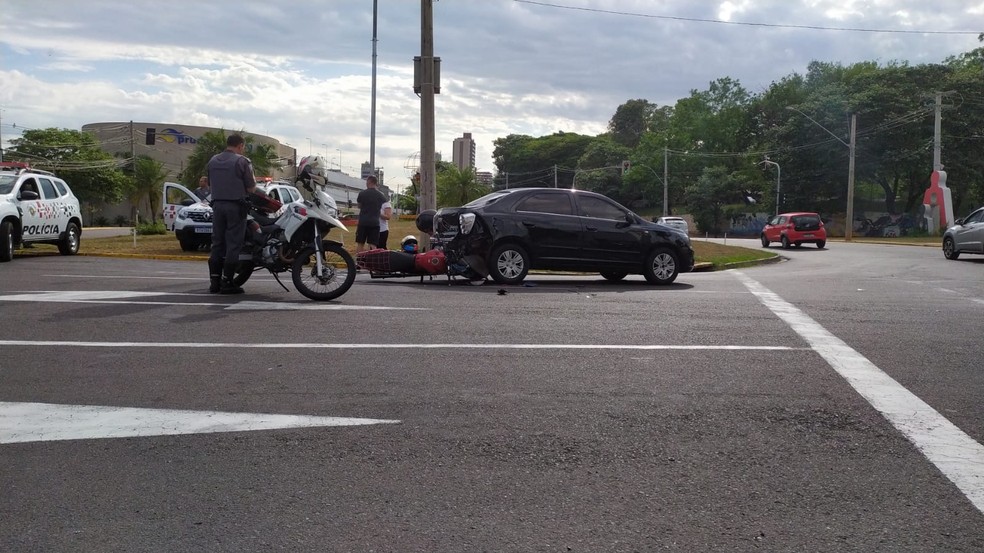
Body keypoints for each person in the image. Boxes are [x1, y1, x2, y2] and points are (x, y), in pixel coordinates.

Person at [206, 134, 256, 294]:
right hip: (236, 206)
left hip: (217, 205)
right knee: (233, 244)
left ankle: (214, 282)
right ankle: (227, 282)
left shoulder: (212, 161)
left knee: (217, 243)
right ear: (240, 145)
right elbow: (251, 188)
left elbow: (210, 183)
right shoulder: (242, 161)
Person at [355, 175, 387, 253]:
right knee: (373, 244)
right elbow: (382, 204)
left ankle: (359, 261)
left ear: (369, 182)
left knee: (360, 243)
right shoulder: (381, 195)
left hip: (363, 222)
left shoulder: (362, 193)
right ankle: (373, 262)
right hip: (375, 223)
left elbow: (359, 206)